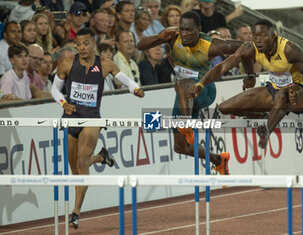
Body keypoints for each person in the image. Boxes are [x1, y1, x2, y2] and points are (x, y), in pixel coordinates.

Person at [50, 28, 144, 229]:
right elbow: (54, 90)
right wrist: (63, 103)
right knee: (76, 170)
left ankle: (75, 213)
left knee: (82, 162)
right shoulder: (66, 63)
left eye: (85, 43)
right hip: (71, 118)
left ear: (93, 43)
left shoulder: (105, 64)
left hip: (92, 119)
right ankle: (101, 157)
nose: (81, 47)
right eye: (78, 44)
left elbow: (126, 80)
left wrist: (134, 89)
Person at [137, 11, 251, 175]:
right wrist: (159, 37)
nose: (184, 33)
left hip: (205, 91)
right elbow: (140, 46)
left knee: (181, 83)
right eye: (181, 29)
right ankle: (218, 159)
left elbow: (246, 48)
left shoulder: (212, 45)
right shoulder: (172, 36)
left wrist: (251, 75)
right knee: (181, 147)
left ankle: (186, 124)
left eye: (189, 30)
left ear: (198, 29)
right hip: (184, 97)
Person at [188, 19, 303, 149]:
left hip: (298, 94)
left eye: (262, 35)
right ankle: (262, 117)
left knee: (282, 94)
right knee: (225, 108)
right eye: (255, 35)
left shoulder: (289, 49)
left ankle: (266, 131)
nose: (258, 40)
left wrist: (300, 94)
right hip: (273, 91)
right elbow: (222, 67)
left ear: (273, 36)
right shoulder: (250, 48)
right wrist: (201, 84)